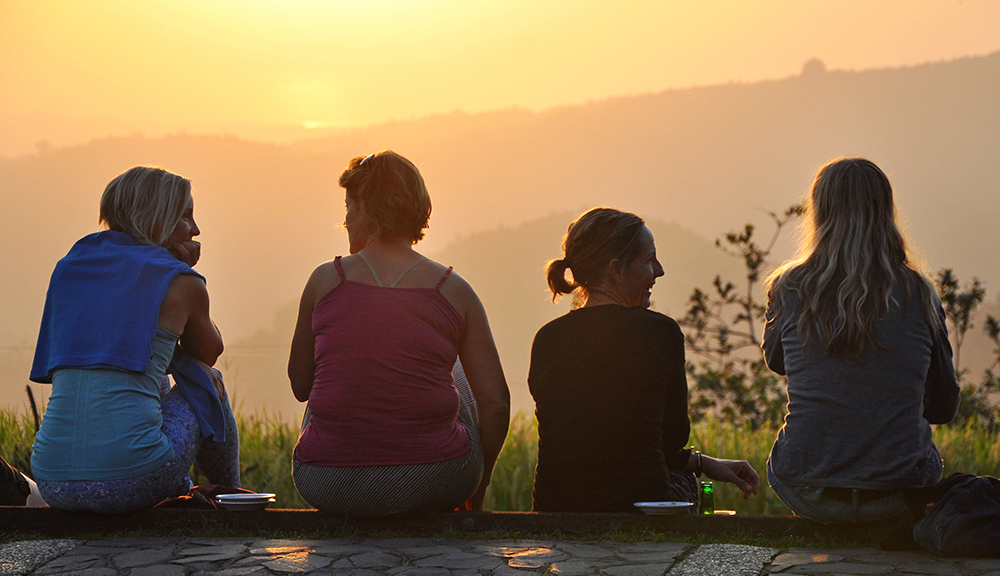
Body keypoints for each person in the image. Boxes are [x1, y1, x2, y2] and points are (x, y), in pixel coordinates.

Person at [288, 150, 510, 516]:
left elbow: (300, 386)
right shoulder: (454, 290)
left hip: (326, 481)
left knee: (329, 374)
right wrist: (478, 484)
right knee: (457, 373)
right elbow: (497, 404)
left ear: (368, 213)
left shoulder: (324, 281)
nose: (345, 221)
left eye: (349, 207)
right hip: (436, 479)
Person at [29, 166, 240, 513]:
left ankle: (184, 491)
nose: (196, 229)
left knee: (147, 372)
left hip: (53, 480)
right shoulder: (180, 281)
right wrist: (187, 275)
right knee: (207, 379)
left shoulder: (69, 267)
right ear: (157, 217)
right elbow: (208, 352)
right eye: (185, 216)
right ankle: (233, 498)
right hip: (133, 481)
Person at [763, 157, 960, 524]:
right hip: (900, 494)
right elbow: (943, 409)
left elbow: (777, 361)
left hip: (808, 491)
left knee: (787, 449)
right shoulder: (920, 293)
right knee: (926, 453)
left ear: (819, 213)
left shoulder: (788, 288)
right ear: (886, 213)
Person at [529, 207, 760, 511]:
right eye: (649, 260)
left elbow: (588, 436)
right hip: (640, 505)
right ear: (616, 270)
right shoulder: (659, 332)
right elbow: (671, 437)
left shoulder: (548, 338)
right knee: (687, 486)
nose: (659, 270)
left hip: (554, 506)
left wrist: (705, 462)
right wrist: (696, 466)